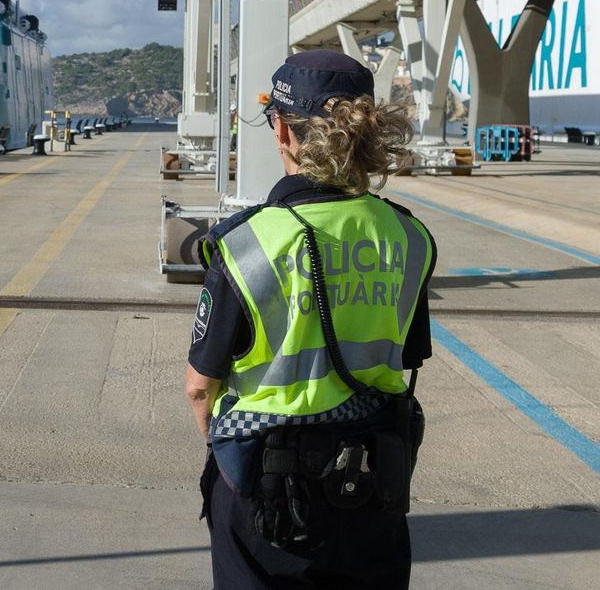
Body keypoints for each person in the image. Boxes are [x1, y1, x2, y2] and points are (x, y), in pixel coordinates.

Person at [185, 50, 436, 589]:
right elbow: (407, 357)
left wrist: (224, 457)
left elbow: (199, 388)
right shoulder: (409, 236)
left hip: (268, 491)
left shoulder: (247, 242)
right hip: (375, 483)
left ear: (283, 130)